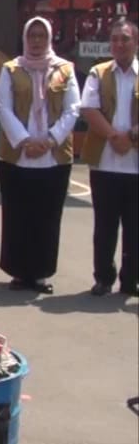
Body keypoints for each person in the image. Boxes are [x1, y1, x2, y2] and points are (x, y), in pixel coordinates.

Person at [0, 16, 80, 294]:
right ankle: (19, 272)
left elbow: (73, 109)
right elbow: (2, 107)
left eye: (42, 36)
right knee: (18, 214)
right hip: (17, 155)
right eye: (33, 35)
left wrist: (51, 139)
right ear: (25, 37)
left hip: (53, 157)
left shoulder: (65, 69)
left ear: (50, 38)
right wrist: (25, 140)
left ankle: (41, 273)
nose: (37, 41)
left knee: (47, 215)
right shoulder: (11, 69)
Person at [79, 19, 138, 297]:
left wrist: (132, 137)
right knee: (105, 225)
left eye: (125, 39)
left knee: (135, 226)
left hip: (135, 163)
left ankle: (131, 281)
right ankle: (103, 277)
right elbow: (89, 109)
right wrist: (115, 137)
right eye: (114, 39)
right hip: (104, 161)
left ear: (135, 42)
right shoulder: (98, 73)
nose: (119, 44)